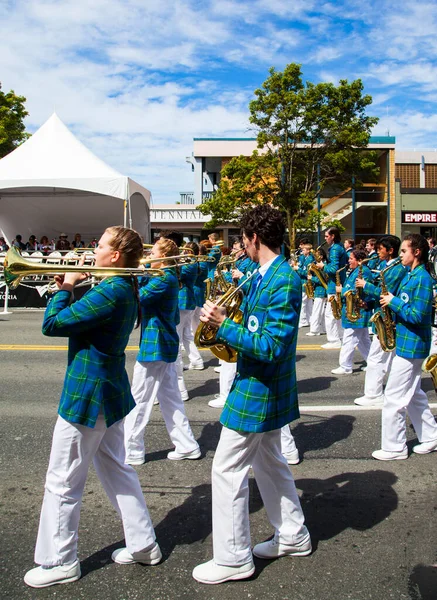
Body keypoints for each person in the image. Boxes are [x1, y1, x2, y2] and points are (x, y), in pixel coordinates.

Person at [24, 226, 161, 589]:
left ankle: (60, 560)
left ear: (115, 256)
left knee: (62, 480)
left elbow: (52, 325)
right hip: (109, 391)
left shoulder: (113, 289)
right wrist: (68, 286)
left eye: (99, 245)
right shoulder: (119, 286)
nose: (92, 250)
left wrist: (65, 287)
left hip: (89, 394)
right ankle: (144, 543)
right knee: (117, 469)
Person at [192, 205, 311, 585]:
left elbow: (272, 345)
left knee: (225, 470)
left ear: (254, 238)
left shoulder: (283, 280)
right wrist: (226, 314)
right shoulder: (267, 275)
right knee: (270, 462)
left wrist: (224, 325)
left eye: (243, 239)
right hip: (261, 385)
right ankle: (293, 535)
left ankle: (233, 559)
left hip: (260, 387)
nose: (241, 246)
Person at [124, 237, 201, 465]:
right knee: (171, 400)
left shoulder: (165, 278)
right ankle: (187, 445)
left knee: (139, 399)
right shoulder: (163, 276)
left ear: (163, 256)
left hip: (156, 344)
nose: (147, 257)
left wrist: (132, 273)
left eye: (152, 253)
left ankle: (132, 450)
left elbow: (137, 299)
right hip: (162, 343)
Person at [372, 234, 437, 460]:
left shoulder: (422, 279)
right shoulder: (412, 276)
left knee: (393, 396)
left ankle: (395, 447)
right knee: (413, 395)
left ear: (416, 252)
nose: (400, 256)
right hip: (407, 342)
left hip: (413, 345)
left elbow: (418, 315)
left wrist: (394, 301)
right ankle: (431, 436)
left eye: (403, 251)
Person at [354, 236, 405, 406]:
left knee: (376, 357)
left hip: (388, 317)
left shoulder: (397, 269)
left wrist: (365, 286)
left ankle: (373, 394)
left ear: (391, 250)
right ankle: (388, 390)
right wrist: (367, 303)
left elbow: (386, 292)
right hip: (380, 313)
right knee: (386, 358)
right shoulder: (384, 265)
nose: (377, 252)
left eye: (380, 249)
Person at [331, 249, 373, 375]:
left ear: (359, 260)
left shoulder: (363, 272)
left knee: (349, 339)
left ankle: (345, 366)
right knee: (363, 340)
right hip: (355, 310)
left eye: (351, 258)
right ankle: (372, 363)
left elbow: (355, 292)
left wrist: (341, 290)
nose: (348, 261)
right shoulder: (355, 271)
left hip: (357, 311)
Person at [315, 227, 348, 349]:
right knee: (336, 314)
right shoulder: (339, 247)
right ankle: (340, 337)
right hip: (337, 284)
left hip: (334, 285)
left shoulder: (334, 249)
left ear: (333, 236)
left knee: (330, 314)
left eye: (326, 236)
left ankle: (334, 340)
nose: (325, 238)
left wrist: (323, 266)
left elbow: (334, 269)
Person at [293, 243, 314, 328]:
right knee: (308, 303)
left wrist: (298, 269)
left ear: (308, 251)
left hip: (306, 282)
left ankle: (303, 320)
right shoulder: (304, 258)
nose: (302, 251)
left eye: (304, 250)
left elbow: (307, 273)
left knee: (304, 303)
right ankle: (309, 320)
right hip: (303, 282)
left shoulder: (310, 259)